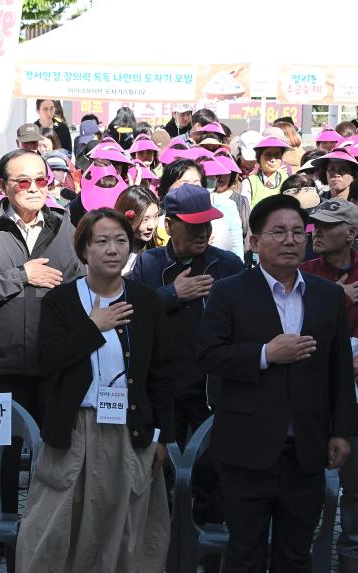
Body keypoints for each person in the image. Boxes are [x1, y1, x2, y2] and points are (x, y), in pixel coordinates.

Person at [197, 194, 357, 572]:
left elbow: (338, 370)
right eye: (279, 232)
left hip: (305, 450)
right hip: (246, 449)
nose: (290, 240)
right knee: (244, 553)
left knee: (296, 554)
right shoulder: (229, 292)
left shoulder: (327, 296)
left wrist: (342, 432)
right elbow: (208, 356)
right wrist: (266, 354)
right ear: (254, 242)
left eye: (298, 232)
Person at [16, 207, 174, 573]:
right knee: (56, 524)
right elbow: (48, 360)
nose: (112, 250)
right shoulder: (60, 300)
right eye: (101, 241)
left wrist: (163, 436)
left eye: (120, 241)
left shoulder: (146, 300)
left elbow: (163, 373)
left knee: (125, 529)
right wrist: (93, 326)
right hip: (74, 429)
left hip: (129, 427)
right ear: (84, 249)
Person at [0, 148, 82, 565]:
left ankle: (46, 530)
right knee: (3, 454)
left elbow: (84, 286)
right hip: (2, 363)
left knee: (54, 451)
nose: (34, 188)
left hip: (55, 364)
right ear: (3, 186)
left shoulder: (67, 227)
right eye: (23, 181)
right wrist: (22, 276)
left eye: (41, 180)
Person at [130, 184, 244, 446]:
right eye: (194, 226)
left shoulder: (227, 264)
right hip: (165, 390)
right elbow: (130, 319)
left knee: (212, 471)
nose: (203, 233)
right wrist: (171, 294)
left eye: (208, 224)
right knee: (164, 469)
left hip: (213, 390)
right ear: (169, 226)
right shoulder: (148, 264)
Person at [298, 198, 358, 572]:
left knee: (355, 491)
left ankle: (349, 560)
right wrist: (336, 298)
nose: (315, 231)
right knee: (305, 488)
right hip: (311, 396)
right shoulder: (302, 272)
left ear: (351, 233)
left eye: (326, 225)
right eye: (314, 223)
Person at [114, 185, 159, 274]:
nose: (152, 226)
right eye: (145, 219)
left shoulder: (158, 252)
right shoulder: (107, 250)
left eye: (156, 216)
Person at [242, 136, 290, 208]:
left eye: (277, 154)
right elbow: (244, 210)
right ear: (259, 158)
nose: (273, 160)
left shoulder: (287, 180)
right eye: (268, 154)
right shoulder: (249, 183)